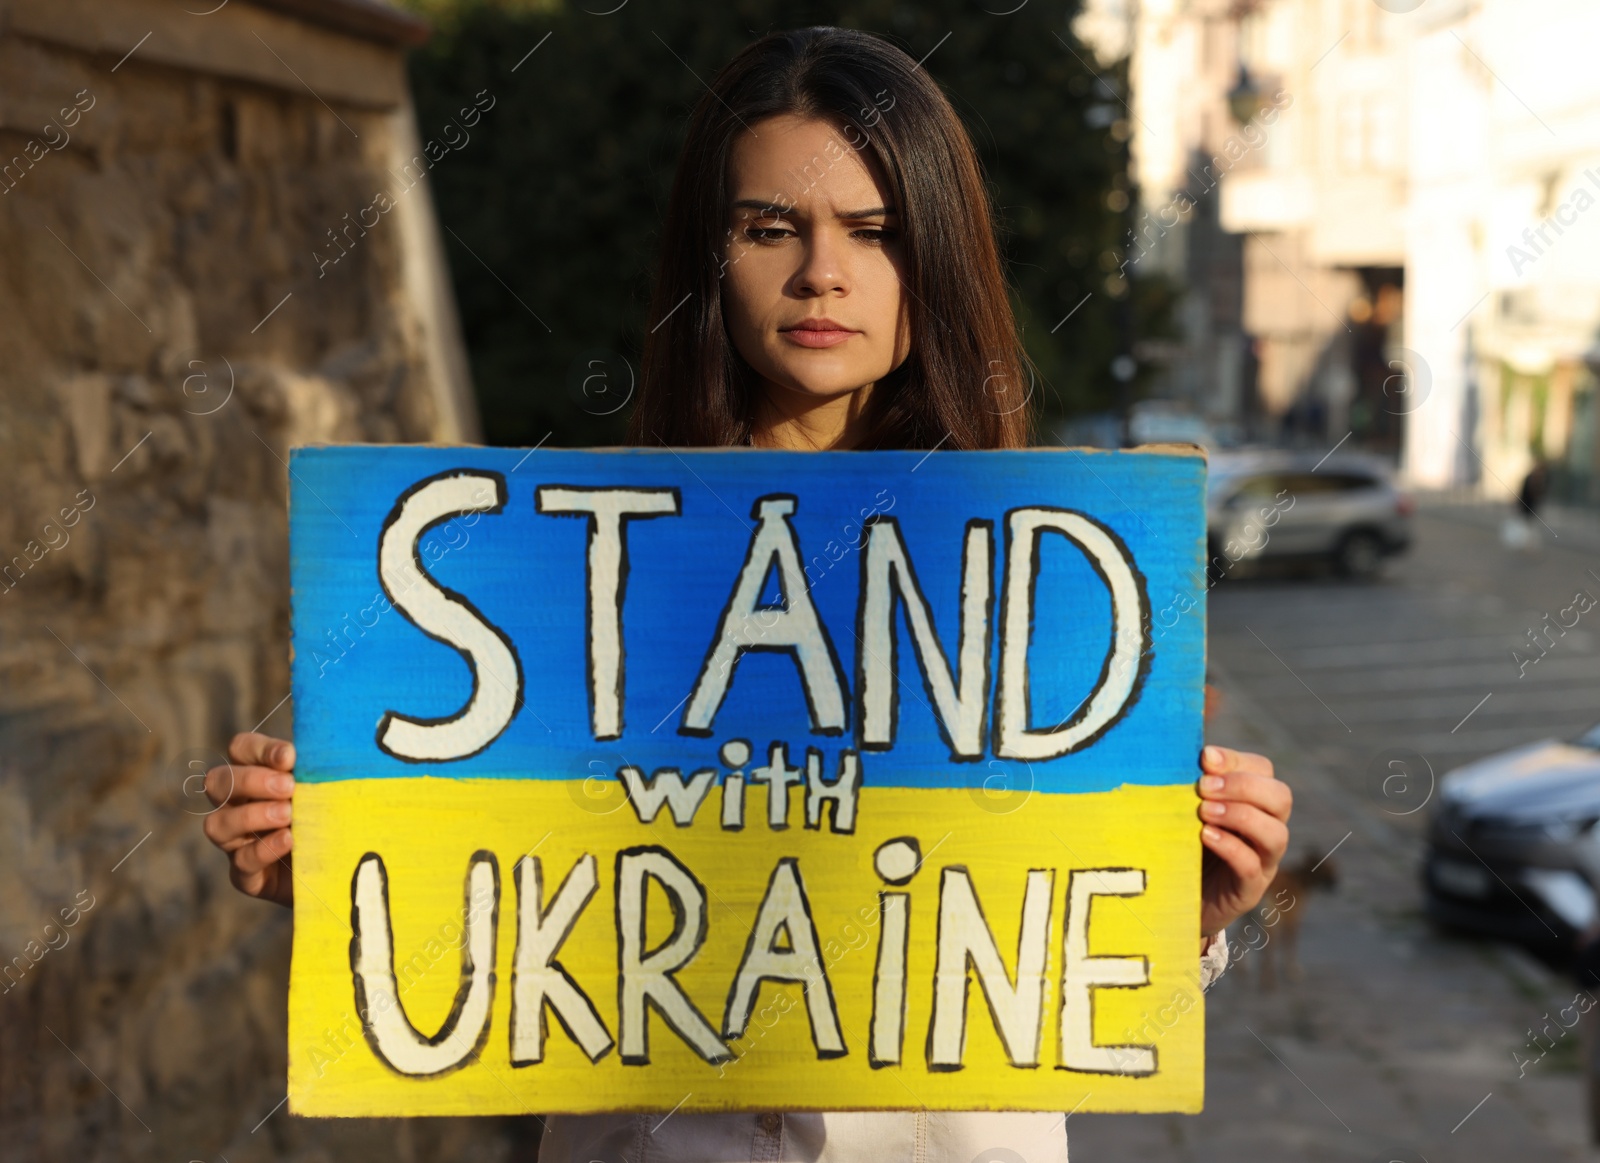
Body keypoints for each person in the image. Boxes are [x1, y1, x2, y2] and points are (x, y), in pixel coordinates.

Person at [201, 26, 1292, 1162]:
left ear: (940, 257)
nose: (822, 271)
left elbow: (1048, 956)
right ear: (709, 256)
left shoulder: (1052, 583)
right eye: (769, 227)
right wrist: (345, 881)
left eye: (875, 233)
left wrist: (1188, 918)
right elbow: (534, 934)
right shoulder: (558, 572)